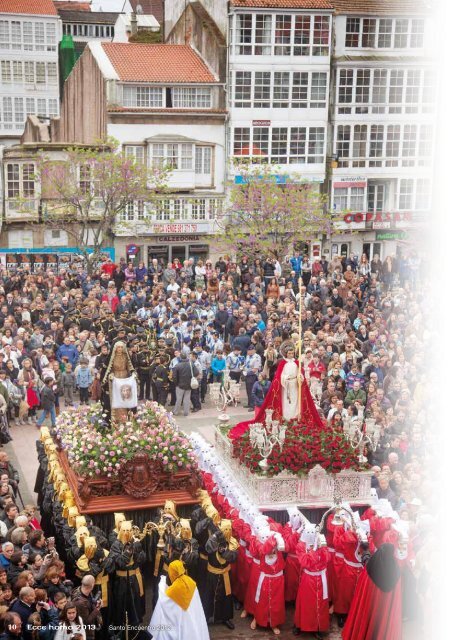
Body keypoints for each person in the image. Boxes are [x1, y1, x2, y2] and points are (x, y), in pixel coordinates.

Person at [342, 543, 402, 640]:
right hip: (384, 614)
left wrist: (366, 556)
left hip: (368, 610)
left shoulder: (371, 567)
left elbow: (361, 590)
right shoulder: (396, 571)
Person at [147, 560, 209, 640]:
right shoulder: (191, 582)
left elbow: (163, 601)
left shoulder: (173, 590)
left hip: (178, 620)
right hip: (191, 618)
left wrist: (161, 584)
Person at [172, 353, 192, 417]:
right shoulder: (191, 365)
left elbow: (174, 376)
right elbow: (196, 373)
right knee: (187, 399)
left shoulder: (177, 365)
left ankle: (176, 411)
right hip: (189, 384)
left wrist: (176, 383)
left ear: (180, 358)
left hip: (179, 385)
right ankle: (186, 412)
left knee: (179, 399)